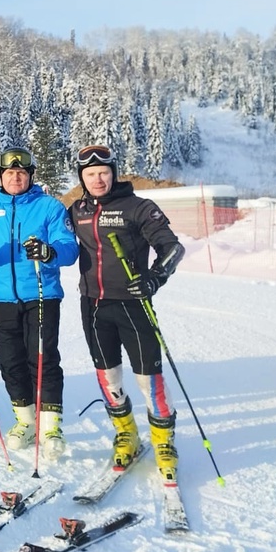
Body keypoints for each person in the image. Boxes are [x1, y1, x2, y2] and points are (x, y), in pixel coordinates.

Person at [69, 144, 185, 481]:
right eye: (90, 174)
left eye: (103, 172)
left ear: (113, 173)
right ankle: (127, 434)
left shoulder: (139, 207)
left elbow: (172, 248)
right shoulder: (76, 210)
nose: (98, 179)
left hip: (133, 304)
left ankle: (163, 442)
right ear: (82, 178)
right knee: (109, 377)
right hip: (92, 305)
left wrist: (154, 278)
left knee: (149, 378)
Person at [0, 146, 78, 459]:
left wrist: (49, 251)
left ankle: (50, 426)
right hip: (2, 298)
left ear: (30, 176)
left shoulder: (49, 207)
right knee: (10, 361)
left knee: (43, 358)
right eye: (9, 173)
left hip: (41, 294)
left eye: (21, 173)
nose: (15, 177)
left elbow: (69, 247)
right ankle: (25, 421)